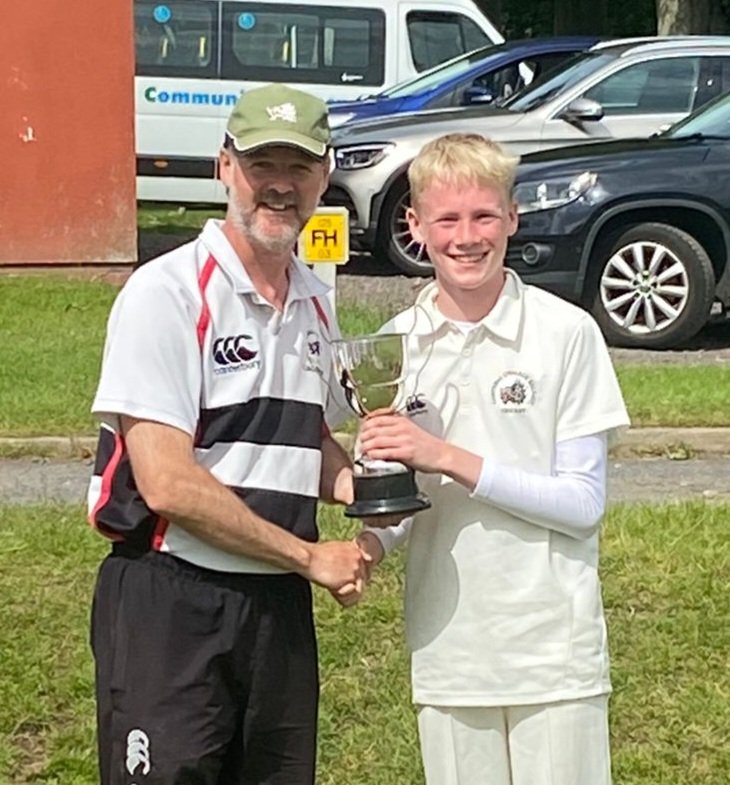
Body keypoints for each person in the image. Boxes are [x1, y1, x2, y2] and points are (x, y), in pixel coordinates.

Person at [86, 83, 367, 785]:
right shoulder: (167, 292)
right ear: (224, 167)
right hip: (171, 596)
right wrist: (308, 555)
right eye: (261, 164)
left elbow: (306, 442)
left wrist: (375, 486)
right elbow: (166, 481)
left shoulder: (314, 299)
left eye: (298, 166)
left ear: (324, 175)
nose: (280, 185)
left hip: (276, 609)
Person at [355, 133, 631, 785]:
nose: (466, 236)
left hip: (552, 656)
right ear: (415, 225)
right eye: (446, 219)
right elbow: (403, 496)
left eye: (483, 215)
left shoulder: (566, 332)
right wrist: (370, 543)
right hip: (449, 649)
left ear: (512, 216)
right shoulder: (395, 345)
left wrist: (446, 454)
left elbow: (583, 505)